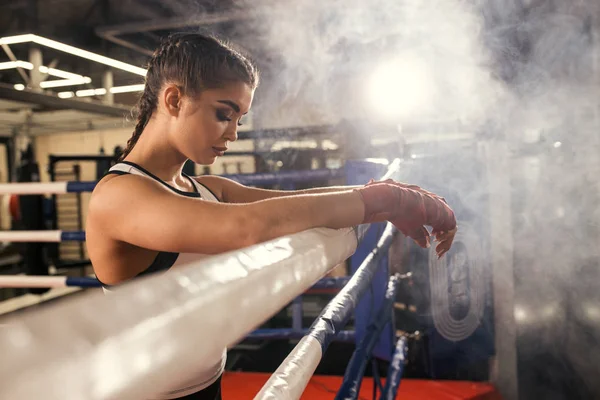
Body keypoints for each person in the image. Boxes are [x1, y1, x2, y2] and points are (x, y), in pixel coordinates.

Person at [86, 32, 457, 400]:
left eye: (238, 120)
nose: (232, 133)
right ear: (174, 99)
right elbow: (250, 225)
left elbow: (294, 203)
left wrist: (387, 202)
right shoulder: (118, 196)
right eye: (223, 114)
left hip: (205, 384)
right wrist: (381, 198)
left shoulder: (205, 188)